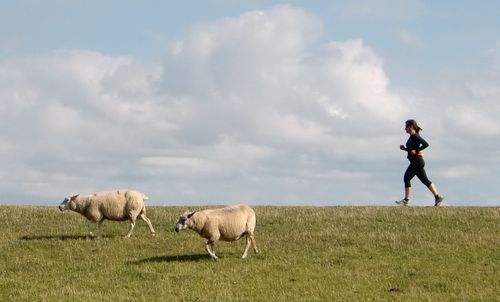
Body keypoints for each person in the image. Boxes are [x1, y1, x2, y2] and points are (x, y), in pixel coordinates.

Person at [396, 119, 444, 206]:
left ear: (411, 127)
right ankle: (438, 198)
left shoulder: (415, 136)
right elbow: (412, 150)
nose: (405, 129)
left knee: (406, 178)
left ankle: (406, 201)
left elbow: (426, 144)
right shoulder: (411, 137)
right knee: (425, 181)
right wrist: (405, 149)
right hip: (417, 162)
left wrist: (417, 150)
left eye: (406, 127)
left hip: (417, 162)